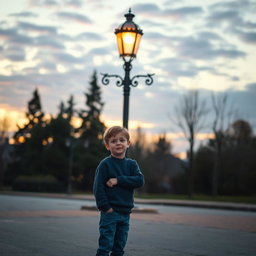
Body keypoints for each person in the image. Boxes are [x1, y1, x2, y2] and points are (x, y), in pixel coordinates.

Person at [93, 126, 144, 256]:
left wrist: (118, 180)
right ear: (107, 146)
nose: (118, 143)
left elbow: (139, 180)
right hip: (110, 213)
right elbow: (98, 188)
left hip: (125, 213)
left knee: (119, 248)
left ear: (128, 144)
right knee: (105, 247)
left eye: (122, 140)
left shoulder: (132, 164)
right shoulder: (105, 164)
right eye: (114, 141)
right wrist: (106, 207)